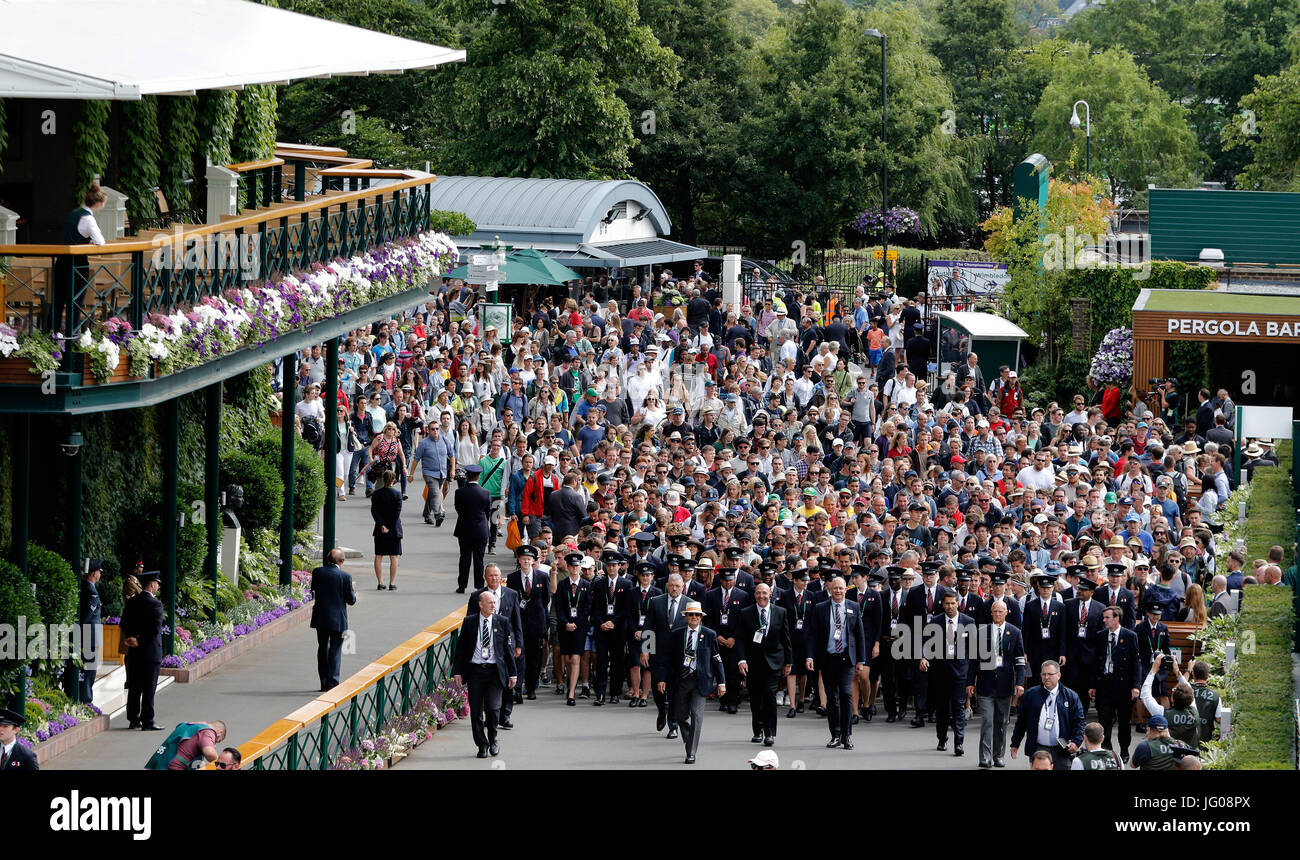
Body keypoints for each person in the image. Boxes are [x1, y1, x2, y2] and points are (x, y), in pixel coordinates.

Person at [655, 601, 725, 764]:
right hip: (681, 680)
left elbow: (717, 660)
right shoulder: (676, 634)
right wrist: (661, 678)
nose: (694, 617)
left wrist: (721, 682)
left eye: (697, 615)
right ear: (686, 616)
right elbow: (666, 658)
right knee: (680, 716)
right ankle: (689, 737)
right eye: (691, 614)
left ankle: (691, 751)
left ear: (701, 617)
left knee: (697, 715)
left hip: (701, 681)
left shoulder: (709, 634)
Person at [804, 576, 868, 750]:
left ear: (845, 590)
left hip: (847, 659)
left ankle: (847, 735)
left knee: (846, 695)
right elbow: (812, 635)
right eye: (835, 588)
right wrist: (810, 657)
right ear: (830, 590)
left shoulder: (853, 607)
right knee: (832, 698)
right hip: (828, 659)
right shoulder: (820, 608)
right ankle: (836, 735)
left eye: (841, 588)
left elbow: (859, 634)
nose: (838, 591)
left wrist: (860, 660)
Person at [453, 591, 518, 758]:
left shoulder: (502, 622)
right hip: (475, 671)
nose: (493, 605)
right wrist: (458, 671)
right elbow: (460, 648)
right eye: (489, 602)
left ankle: (493, 739)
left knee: (493, 708)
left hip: (494, 671)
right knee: (476, 711)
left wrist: (513, 673)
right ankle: (482, 744)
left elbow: (507, 650)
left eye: (494, 602)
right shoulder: (469, 622)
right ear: (480, 604)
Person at [970, 599, 1026, 768]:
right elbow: (973, 660)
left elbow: (1019, 660)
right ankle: (985, 757)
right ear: (991, 613)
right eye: (995, 611)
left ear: (1006, 613)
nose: (998, 614)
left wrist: (1020, 682)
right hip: (985, 684)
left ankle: (998, 755)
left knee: (1001, 723)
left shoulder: (1014, 632)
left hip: (1005, 684)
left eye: (1001, 611)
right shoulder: (982, 631)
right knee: (987, 720)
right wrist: (969, 682)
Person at [467, 563, 524, 728]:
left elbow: (516, 621)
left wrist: (518, 644)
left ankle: (505, 714)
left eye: (496, 575)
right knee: (490, 680)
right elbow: (470, 621)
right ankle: (489, 714)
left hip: (506, 644)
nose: (494, 578)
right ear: (485, 577)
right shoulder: (477, 596)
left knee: (507, 678)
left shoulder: (511, 594)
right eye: (490, 575)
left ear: (501, 577)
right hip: (486, 645)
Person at [737, 582, 793, 746]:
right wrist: (741, 660)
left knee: (769, 697)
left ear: (771, 595)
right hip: (753, 663)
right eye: (758, 593)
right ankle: (758, 730)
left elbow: (786, 639)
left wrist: (788, 662)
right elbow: (740, 639)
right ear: (754, 595)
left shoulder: (780, 612)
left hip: (774, 663)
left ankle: (769, 733)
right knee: (755, 699)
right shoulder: (746, 613)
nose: (762, 596)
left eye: (765, 593)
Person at [924, 592, 975, 756]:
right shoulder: (936, 621)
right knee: (942, 707)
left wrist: (971, 675)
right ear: (943, 604)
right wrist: (924, 657)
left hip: (960, 672)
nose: (950, 606)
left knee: (959, 708)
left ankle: (959, 743)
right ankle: (941, 738)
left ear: (957, 603)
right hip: (940, 671)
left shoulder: (968, 622)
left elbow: (972, 651)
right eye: (947, 604)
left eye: (953, 603)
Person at [1010, 660, 1085, 770]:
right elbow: (1021, 722)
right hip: (1038, 749)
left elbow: (1079, 722)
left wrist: (1076, 742)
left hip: (1061, 750)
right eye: (1043, 674)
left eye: (1050, 674)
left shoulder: (1071, 696)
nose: (1046, 677)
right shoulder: (1030, 695)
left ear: (1059, 675)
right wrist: (1015, 743)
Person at [1088, 605, 1141, 760]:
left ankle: (1124, 750)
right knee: (1104, 720)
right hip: (1105, 683)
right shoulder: (1100, 636)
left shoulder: (1130, 636)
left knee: (1124, 721)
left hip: (1123, 686)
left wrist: (1135, 686)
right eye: (1103, 617)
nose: (1104, 620)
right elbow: (1095, 662)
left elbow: (1136, 663)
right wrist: (1092, 684)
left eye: (1107, 618)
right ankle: (1107, 749)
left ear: (1116, 618)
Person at [644, 573, 689, 737]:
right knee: (658, 690)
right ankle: (661, 711)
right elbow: (648, 626)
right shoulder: (656, 602)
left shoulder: (689, 604)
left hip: (679, 656)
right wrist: (645, 649)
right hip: (659, 653)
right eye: (671, 585)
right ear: (667, 586)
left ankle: (673, 725)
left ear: (682, 587)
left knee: (675, 691)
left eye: (677, 586)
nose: (674, 589)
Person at [122, 570, 166, 731]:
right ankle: (148, 720)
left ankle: (133, 719)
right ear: (153, 584)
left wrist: (131, 638)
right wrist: (140, 640)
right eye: (157, 584)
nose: (158, 587)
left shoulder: (132, 602)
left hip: (134, 651)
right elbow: (155, 629)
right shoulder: (156, 604)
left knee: (134, 686)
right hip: (150, 652)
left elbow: (124, 623)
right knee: (149, 687)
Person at [506, 545, 550, 700]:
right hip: (518, 623)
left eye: (529, 559)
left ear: (533, 561)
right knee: (518, 654)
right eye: (523, 559)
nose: (526, 561)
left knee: (534, 656)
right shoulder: (512, 578)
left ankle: (531, 687)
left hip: (536, 623)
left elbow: (546, 599)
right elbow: (510, 601)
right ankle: (517, 689)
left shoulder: (542, 577)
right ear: (519, 560)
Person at [310, 549, 357, 691]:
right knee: (335, 650)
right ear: (342, 561)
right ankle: (332, 683)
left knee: (322, 648)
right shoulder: (345, 576)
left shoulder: (317, 572)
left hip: (321, 617)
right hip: (338, 619)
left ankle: (323, 682)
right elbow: (351, 600)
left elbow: (314, 589)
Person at [555, 552, 592, 706]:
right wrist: (565, 623)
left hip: (579, 626)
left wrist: (576, 623)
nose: (575, 568)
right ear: (568, 567)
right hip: (565, 626)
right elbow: (559, 607)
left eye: (577, 566)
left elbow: (587, 607)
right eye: (572, 566)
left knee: (576, 657)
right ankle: (572, 682)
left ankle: (571, 693)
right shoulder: (563, 585)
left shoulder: (586, 585)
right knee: (568, 659)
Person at [454, 464, 492, 593]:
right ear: (479, 476)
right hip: (480, 529)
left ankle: (462, 585)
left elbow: (458, 509)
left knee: (464, 557)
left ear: (467, 476)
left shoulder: (459, 492)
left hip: (464, 527)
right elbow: (488, 511)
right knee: (479, 559)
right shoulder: (485, 493)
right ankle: (479, 585)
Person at [410, 419, 455, 526]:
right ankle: (438, 514)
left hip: (442, 473)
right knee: (435, 493)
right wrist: (411, 474)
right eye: (432, 429)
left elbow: (452, 455)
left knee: (431, 494)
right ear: (428, 430)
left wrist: (452, 469)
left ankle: (426, 514)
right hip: (429, 473)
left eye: (437, 429)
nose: (435, 431)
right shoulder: (424, 443)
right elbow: (416, 459)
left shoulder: (444, 441)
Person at [370, 470, 403, 590]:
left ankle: (380, 582)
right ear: (394, 480)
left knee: (378, 555)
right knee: (393, 556)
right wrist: (389, 525)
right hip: (394, 529)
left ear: (383, 480)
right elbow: (397, 513)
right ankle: (392, 583)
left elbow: (374, 511)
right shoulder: (398, 494)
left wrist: (382, 525)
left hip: (380, 529)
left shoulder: (376, 494)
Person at [78, 558, 105, 704]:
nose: (100, 574)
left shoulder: (87, 587)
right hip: (89, 635)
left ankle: (84, 698)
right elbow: (88, 615)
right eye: (99, 572)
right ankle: (85, 700)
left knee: (88, 669)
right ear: (94, 573)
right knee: (89, 670)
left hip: (88, 634)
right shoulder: (90, 590)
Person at [1129, 714, 1197, 770]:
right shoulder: (1181, 744)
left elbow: (1132, 765)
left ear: (1149, 729)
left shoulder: (1145, 746)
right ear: (1167, 730)